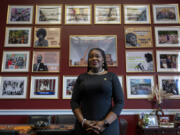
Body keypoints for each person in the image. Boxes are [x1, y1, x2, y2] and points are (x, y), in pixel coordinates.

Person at [71, 48, 124, 135]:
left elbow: (120, 102)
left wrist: (104, 123)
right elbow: (74, 102)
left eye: (97, 56)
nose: (94, 58)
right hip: (84, 127)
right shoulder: (81, 77)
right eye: (91, 57)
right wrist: (83, 122)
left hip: (108, 127)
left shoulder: (112, 77)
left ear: (103, 60)